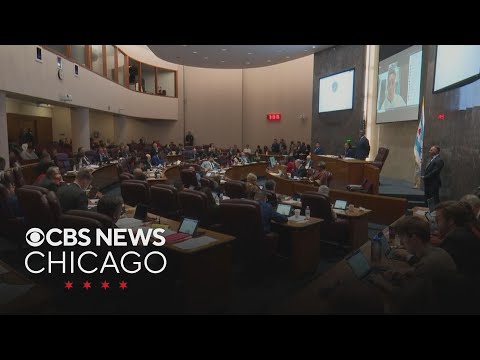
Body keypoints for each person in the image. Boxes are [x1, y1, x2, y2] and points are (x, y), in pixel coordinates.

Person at [369, 216, 457, 314]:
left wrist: (380, 282)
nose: (401, 243)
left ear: (414, 238)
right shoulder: (438, 251)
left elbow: (402, 297)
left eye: (402, 238)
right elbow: (418, 275)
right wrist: (399, 274)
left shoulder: (427, 264)